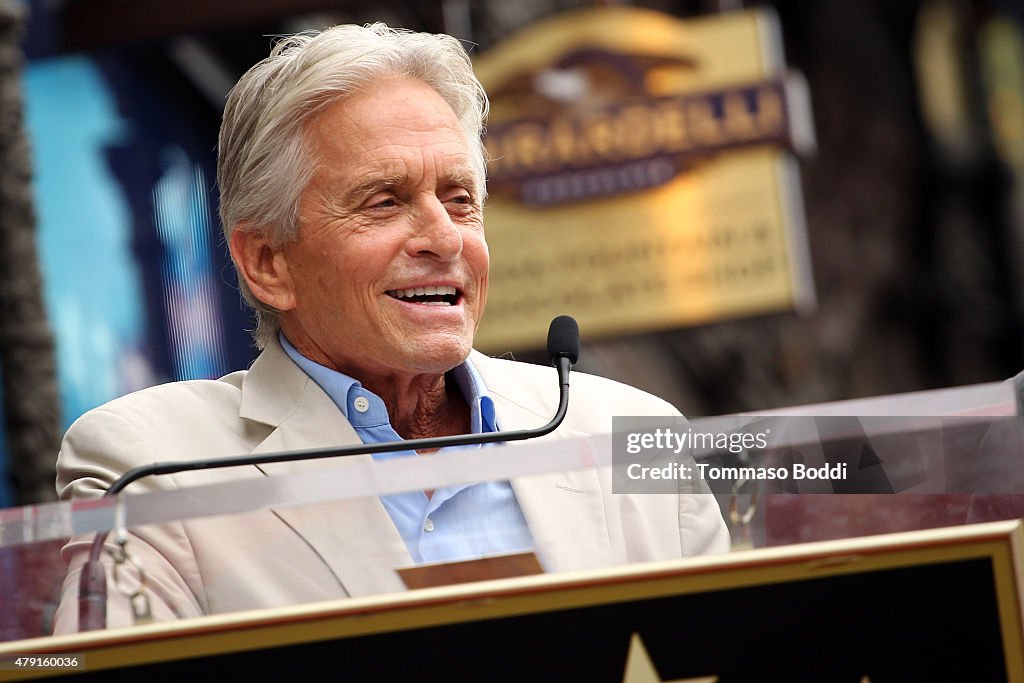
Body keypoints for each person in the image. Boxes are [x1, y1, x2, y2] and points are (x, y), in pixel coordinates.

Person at [54, 23, 729, 632]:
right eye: (385, 201)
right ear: (267, 262)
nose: (443, 237)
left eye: (460, 199)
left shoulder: (628, 431)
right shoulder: (151, 466)